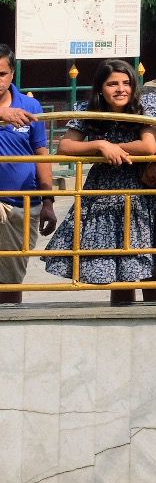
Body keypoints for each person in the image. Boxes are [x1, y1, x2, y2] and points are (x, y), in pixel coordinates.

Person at [42, 59, 156, 304]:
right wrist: (100, 145)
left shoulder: (145, 103)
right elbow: (65, 146)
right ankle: (121, 321)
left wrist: (115, 149)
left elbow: (149, 144)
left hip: (140, 191)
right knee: (119, 269)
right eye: (112, 84)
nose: (120, 89)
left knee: (149, 266)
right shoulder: (89, 109)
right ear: (100, 88)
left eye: (126, 83)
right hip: (103, 192)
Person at [0, 45, 53, 303]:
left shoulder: (29, 106)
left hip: (21, 206)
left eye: (1, 73)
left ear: (12, 75)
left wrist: (48, 201)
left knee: (10, 282)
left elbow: (41, 154)